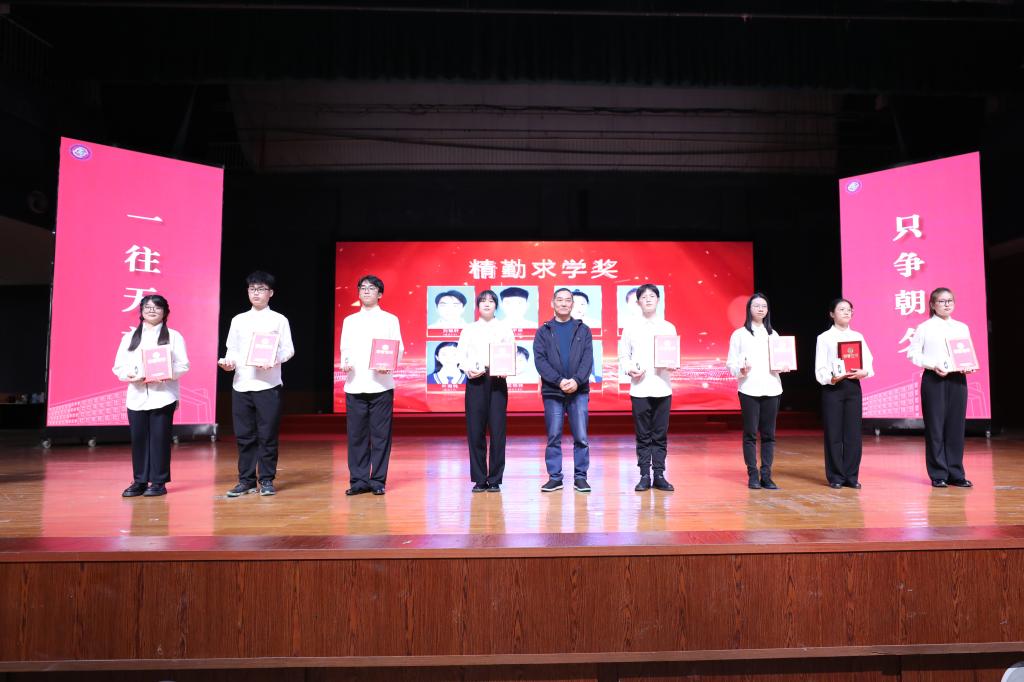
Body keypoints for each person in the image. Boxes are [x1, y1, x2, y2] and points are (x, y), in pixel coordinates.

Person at [218, 271, 295, 497]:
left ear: (271, 293)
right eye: (252, 289)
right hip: (241, 385)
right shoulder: (238, 320)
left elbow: (288, 349)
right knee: (244, 436)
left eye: (261, 289)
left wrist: (274, 359)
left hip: (268, 385)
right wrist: (228, 363)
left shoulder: (279, 320)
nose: (256, 293)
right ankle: (246, 480)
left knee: (267, 435)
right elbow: (232, 349)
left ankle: (267, 480)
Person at [112, 294, 190, 497]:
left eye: (157, 307)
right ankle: (139, 481)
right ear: (141, 311)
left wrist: (166, 374)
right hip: (136, 396)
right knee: (138, 439)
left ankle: (158, 481)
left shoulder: (174, 336)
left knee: (160, 439)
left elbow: (183, 365)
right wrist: (130, 375)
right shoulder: (130, 337)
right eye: (148, 307)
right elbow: (119, 366)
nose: (152, 310)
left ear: (165, 312)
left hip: (163, 396)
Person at [340, 275, 404, 496]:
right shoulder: (350, 320)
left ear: (380, 294)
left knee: (381, 436)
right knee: (356, 436)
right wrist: (345, 362)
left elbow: (398, 348)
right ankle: (358, 481)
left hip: (381, 385)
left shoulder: (390, 319)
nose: (366, 291)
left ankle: (377, 480)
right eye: (363, 288)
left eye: (371, 288)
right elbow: (345, 348)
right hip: (355, 384)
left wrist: (390, 365)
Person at [907, 287, 976, 488]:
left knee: (956, 427)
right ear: (932, 305)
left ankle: (956, 473)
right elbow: (913, 354)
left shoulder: (961, 327)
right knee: (935, 427)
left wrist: (968, 365)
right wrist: (932, 365)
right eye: (942, 301)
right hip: (934, 379)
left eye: (950, 301)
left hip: (957, 379)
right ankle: (938, 474)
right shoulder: (925, 327)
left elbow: (966, 352)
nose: (947, 305)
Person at [534, 287, 594, 493]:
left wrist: (576, 381)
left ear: (572, 304)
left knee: (581, 437)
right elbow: (540, 361)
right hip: (553, 391)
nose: (563, 303)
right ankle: (555, 477)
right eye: (559, 300)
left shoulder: (583, 330)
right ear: (553, 303)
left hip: (579, 391)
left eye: (568, 300)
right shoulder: (543, 331)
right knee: (553, 436)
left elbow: (587, 360)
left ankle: (581, 477)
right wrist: (559, 381)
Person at [618, 284, 677, 492]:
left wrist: (673, 364)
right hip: (640, 388)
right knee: (643, 434)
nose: (649, 299)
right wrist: (629, 369)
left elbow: (673, 355)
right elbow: (623, 356)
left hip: (663, 387)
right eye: (644, 297)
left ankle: (659, 474)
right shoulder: (630, 327)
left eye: (652, 296)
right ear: (638, 302)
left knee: (660, 434)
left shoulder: (668, 327)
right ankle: (644, 474)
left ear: (658, 300)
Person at [456, 290, 514, 492]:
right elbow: (460, 356)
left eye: (491, 301)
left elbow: (511, 352)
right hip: (476, 381)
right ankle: (480, 479)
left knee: (498, 431)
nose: (487, 304)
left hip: (497, 381)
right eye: (483, 301)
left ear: (496, 305)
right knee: (475, 430)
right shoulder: (469, 329)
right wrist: (467, 369)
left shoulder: (504, 328)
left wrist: (507, 368)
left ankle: (495, 479)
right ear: (478, 306)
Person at [813, 298, 873, 490]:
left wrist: (865, 371)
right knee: (834, 433)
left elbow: (868, 361)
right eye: (841, 309)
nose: (847, 313)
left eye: (849, 310)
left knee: (853, 434)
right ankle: (836, 476)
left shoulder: (858, 336)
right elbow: (820, 367)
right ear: (832, 314)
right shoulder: (824, 338)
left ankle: (851, 476)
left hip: (853, 387)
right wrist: (831, 378)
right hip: (833, 388)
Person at [726, 292, 783, 490]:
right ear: (749, 309)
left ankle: (766, 475)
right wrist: (740, 370)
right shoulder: (739, 334)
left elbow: (780, 361)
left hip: (772, 388)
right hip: (749, 388)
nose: (760, 309)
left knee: (769, 435)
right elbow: (731, 363)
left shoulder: (774, 335)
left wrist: (783, 366)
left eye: (764, 306)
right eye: (756, 305)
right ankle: (752, 474)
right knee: (750, 433)